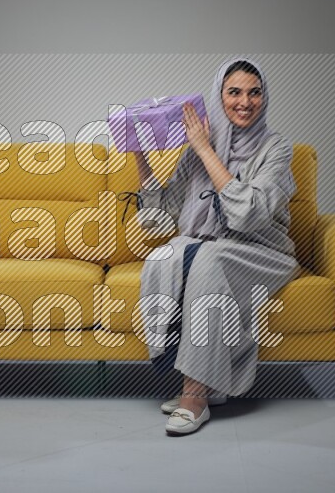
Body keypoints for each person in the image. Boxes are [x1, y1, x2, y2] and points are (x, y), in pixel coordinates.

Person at [131, 58, 300, 436]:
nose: (245, 102)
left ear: (265, 97)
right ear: (219, 96)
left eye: (254, 92)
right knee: (167, 254)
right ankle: (208, 381)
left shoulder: (276, 148)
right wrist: (138, 152)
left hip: (264, 251)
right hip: (214, 246)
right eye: (234, 92)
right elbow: (165, 212)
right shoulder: (198, 147)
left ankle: (194, 394)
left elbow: (249, 215)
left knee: (208, 258)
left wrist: (206, 149)